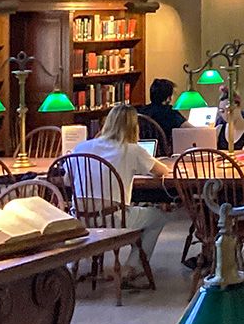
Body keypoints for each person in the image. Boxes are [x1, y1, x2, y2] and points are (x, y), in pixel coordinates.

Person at [72, 104, 171, 259]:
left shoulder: (81, 147)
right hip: (114, 218)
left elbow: (67, 179)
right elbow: (161, 171)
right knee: (158, 218)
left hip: (79, 219)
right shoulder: (132, 150)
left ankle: (78, 265)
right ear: (134, 127)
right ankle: (134, 267)